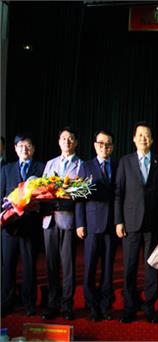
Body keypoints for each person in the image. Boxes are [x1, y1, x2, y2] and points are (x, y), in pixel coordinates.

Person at [115, 122, 158, 324]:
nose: (143, 138)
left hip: (152, 223)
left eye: (147, 135)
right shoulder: (125, 161)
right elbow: (118, 193)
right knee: (129, 267)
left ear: (152, 139)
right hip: (130, 223)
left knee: (151, 266)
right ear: (134, 139)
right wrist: (118, 221)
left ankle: (149, 307)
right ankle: (129, 307)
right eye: (140, 135)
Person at [75, 130, 117, 322]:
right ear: (94, 145)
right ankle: (92, 307)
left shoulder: (117, 166)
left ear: (112, 147)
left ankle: (105, 306)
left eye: (108, 144)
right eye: (101, 143)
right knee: (90, 268)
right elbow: (79, 198)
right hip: (91, 225)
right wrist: (80, 223)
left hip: (111, 225)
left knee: (108, 270)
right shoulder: (86, 166)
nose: (104, 147)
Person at [1, 134, 45, 317]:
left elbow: (46, 197)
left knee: (29, 266)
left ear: (33, 149)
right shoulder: (6, 169)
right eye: (20, 146)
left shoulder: (42, 168)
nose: (24, 149)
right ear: (15, 149)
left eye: (28, 146)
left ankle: (29, 303)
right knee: (7, 266)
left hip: (31, 226)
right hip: (10, 227)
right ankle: (6, 301)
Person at [41, 127, 82, 321]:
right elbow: (41, 189)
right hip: (49, 220)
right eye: (63, 138)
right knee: (50, 264)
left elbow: (81, 193)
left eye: (70, 138)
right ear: (59, 141)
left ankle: (67, 304)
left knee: (68, 265)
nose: (66, 141)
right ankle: (52, 303)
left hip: (67, 219)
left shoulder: (81, 165)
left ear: (75, 143)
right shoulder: (50, 164)